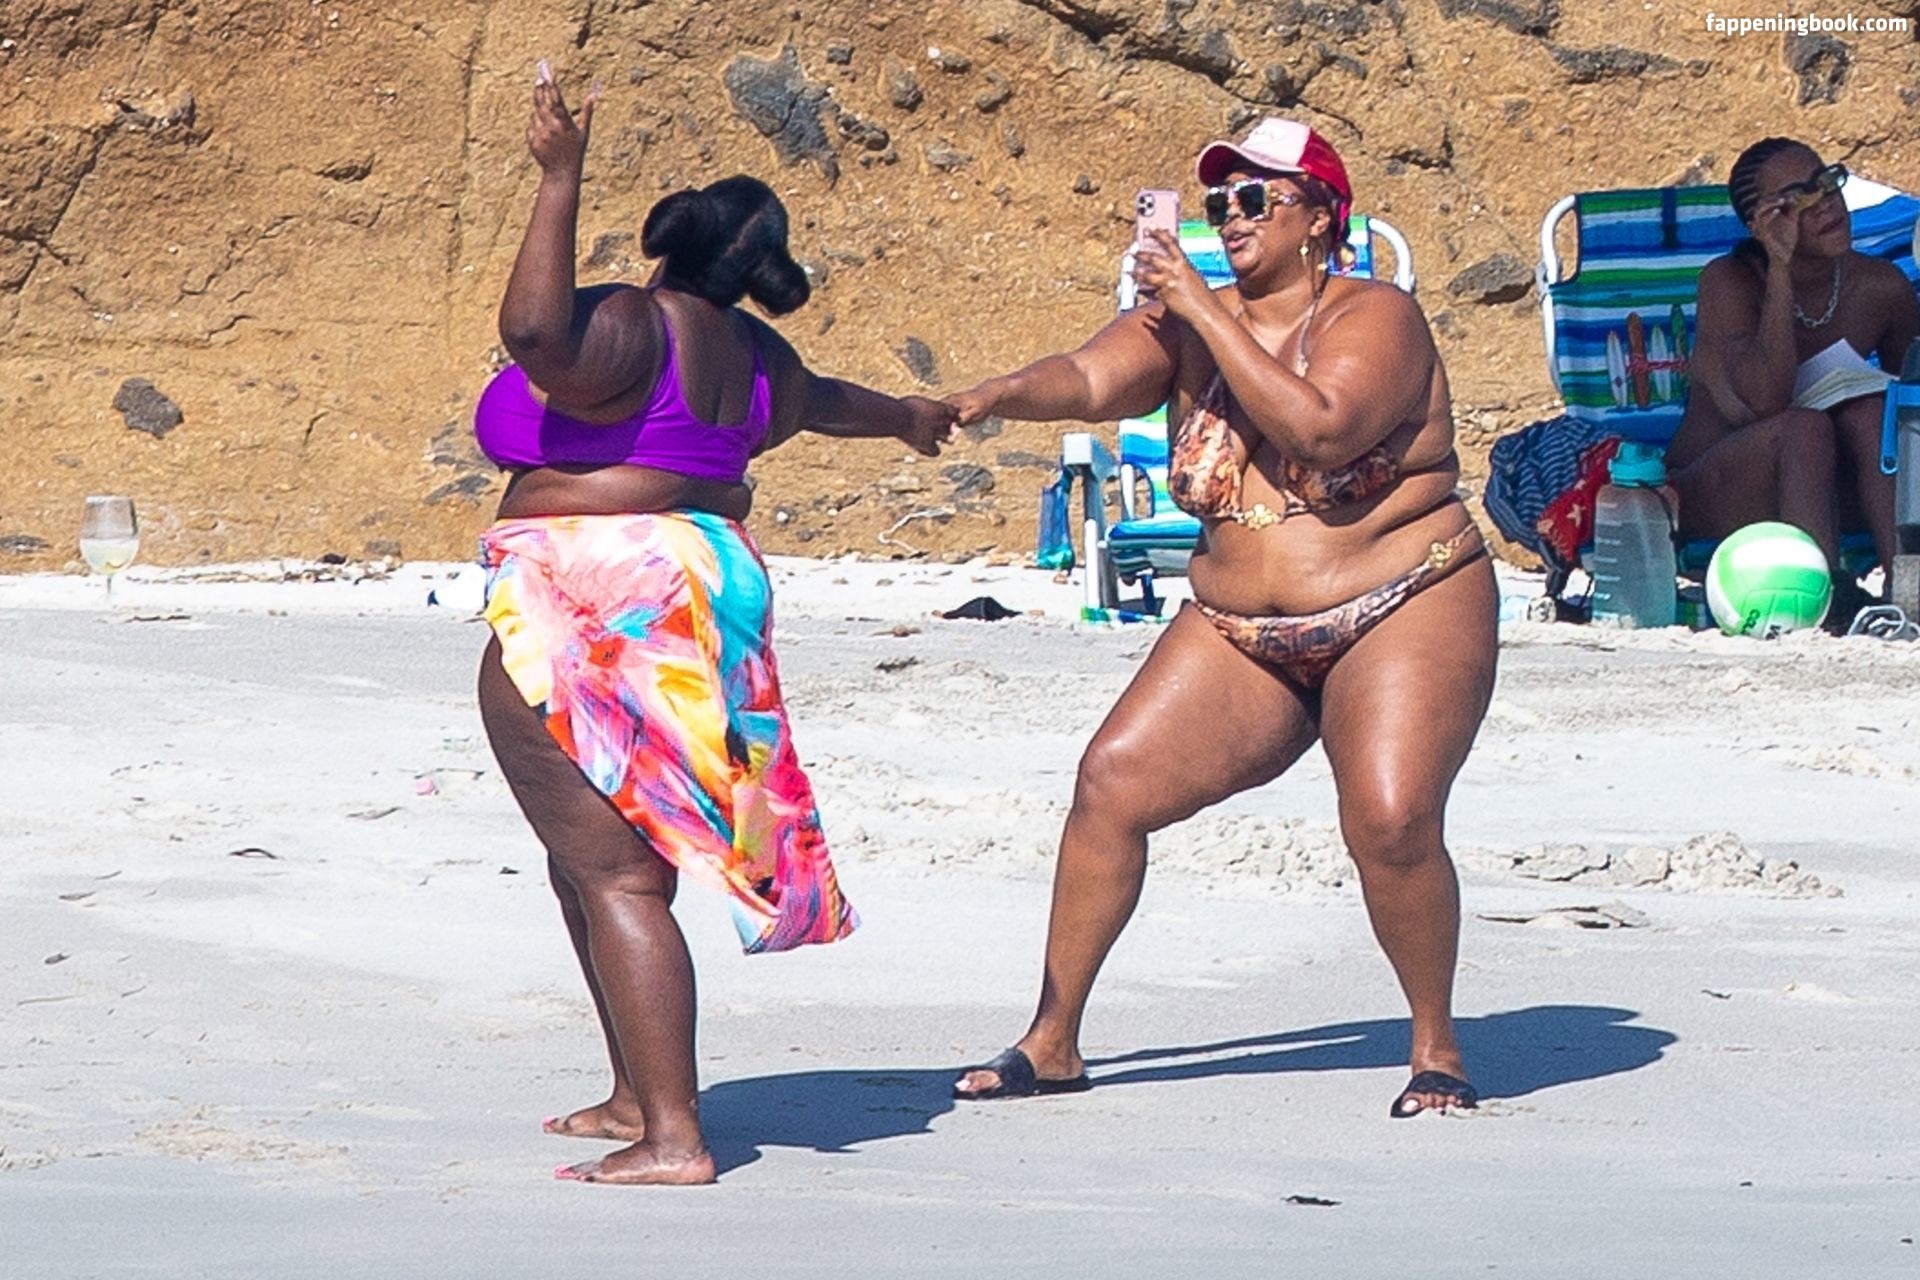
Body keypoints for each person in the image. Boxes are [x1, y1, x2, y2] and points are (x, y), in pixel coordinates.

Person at [945, 118, 1497, 1118]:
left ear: (1319, 217)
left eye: (1254, 199)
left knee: (1388, 817)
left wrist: (1199, 303)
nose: (1230, 218)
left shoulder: (1379, 316)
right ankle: (1053, 1039)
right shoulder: (1187, 324)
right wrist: (995, 395)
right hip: (1241, 626)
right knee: (1111, 782)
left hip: (1402, 598)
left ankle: (1437, 1044)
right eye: (1218, 203)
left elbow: (1320, 428)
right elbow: (1091, 377)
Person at [474, 63, 957, 1185]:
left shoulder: (632, 323)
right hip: (703, 584)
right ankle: (635, 1092)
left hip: (603, 588)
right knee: (584, 856)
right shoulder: (760, 361)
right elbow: (835, 403)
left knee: (615, 871)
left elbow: (537, 333)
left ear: (669, 240)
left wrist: (559, 177)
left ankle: (674, 1136)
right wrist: (912, 417)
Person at [1666, 137, 1920, 628]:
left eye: (1826, 183)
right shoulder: (1727, 283)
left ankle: (1907, 589)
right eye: (1796, 200)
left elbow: (1912, 407)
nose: (1824, 203)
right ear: (1760, 224)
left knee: (1875, 414)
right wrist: (1778, 268)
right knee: (1804, 428)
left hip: (1828, 487)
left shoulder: (1881, 286)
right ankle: (1828, 597)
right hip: (1717, 487)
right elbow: (1764, 400)